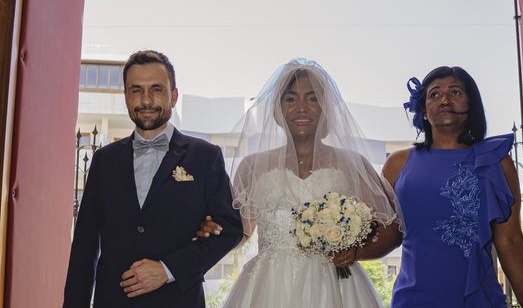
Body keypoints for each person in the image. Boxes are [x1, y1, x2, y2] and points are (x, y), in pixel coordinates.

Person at [201, 58, 402, 307]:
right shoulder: (252, 166)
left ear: (327, 107)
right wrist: (212, 232)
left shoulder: (353, 164)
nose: (302, 108)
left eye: (313, 98)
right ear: (277, 109)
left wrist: (358, 252)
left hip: (337, 286)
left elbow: (392, 230)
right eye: (291, 98)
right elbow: (240, 232)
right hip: (269, 286)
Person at [63, 50, 243, 308]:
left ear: (174, 96)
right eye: (136, 90)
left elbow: (230, 229)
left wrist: (168, 269)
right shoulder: (104, 160)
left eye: (156, 89)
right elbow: (84, 247)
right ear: (126, 97)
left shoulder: (205, 156)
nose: (146, 100)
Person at [381, 66, 523, 308]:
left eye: (455, 92)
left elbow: (510, 241)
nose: (445, 99)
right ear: (423, 109)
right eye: (434, 94)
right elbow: (386, 233)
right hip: (413, 299)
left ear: (471, 103)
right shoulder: (397, 164)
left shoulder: (496, 161)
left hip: (479, 299)